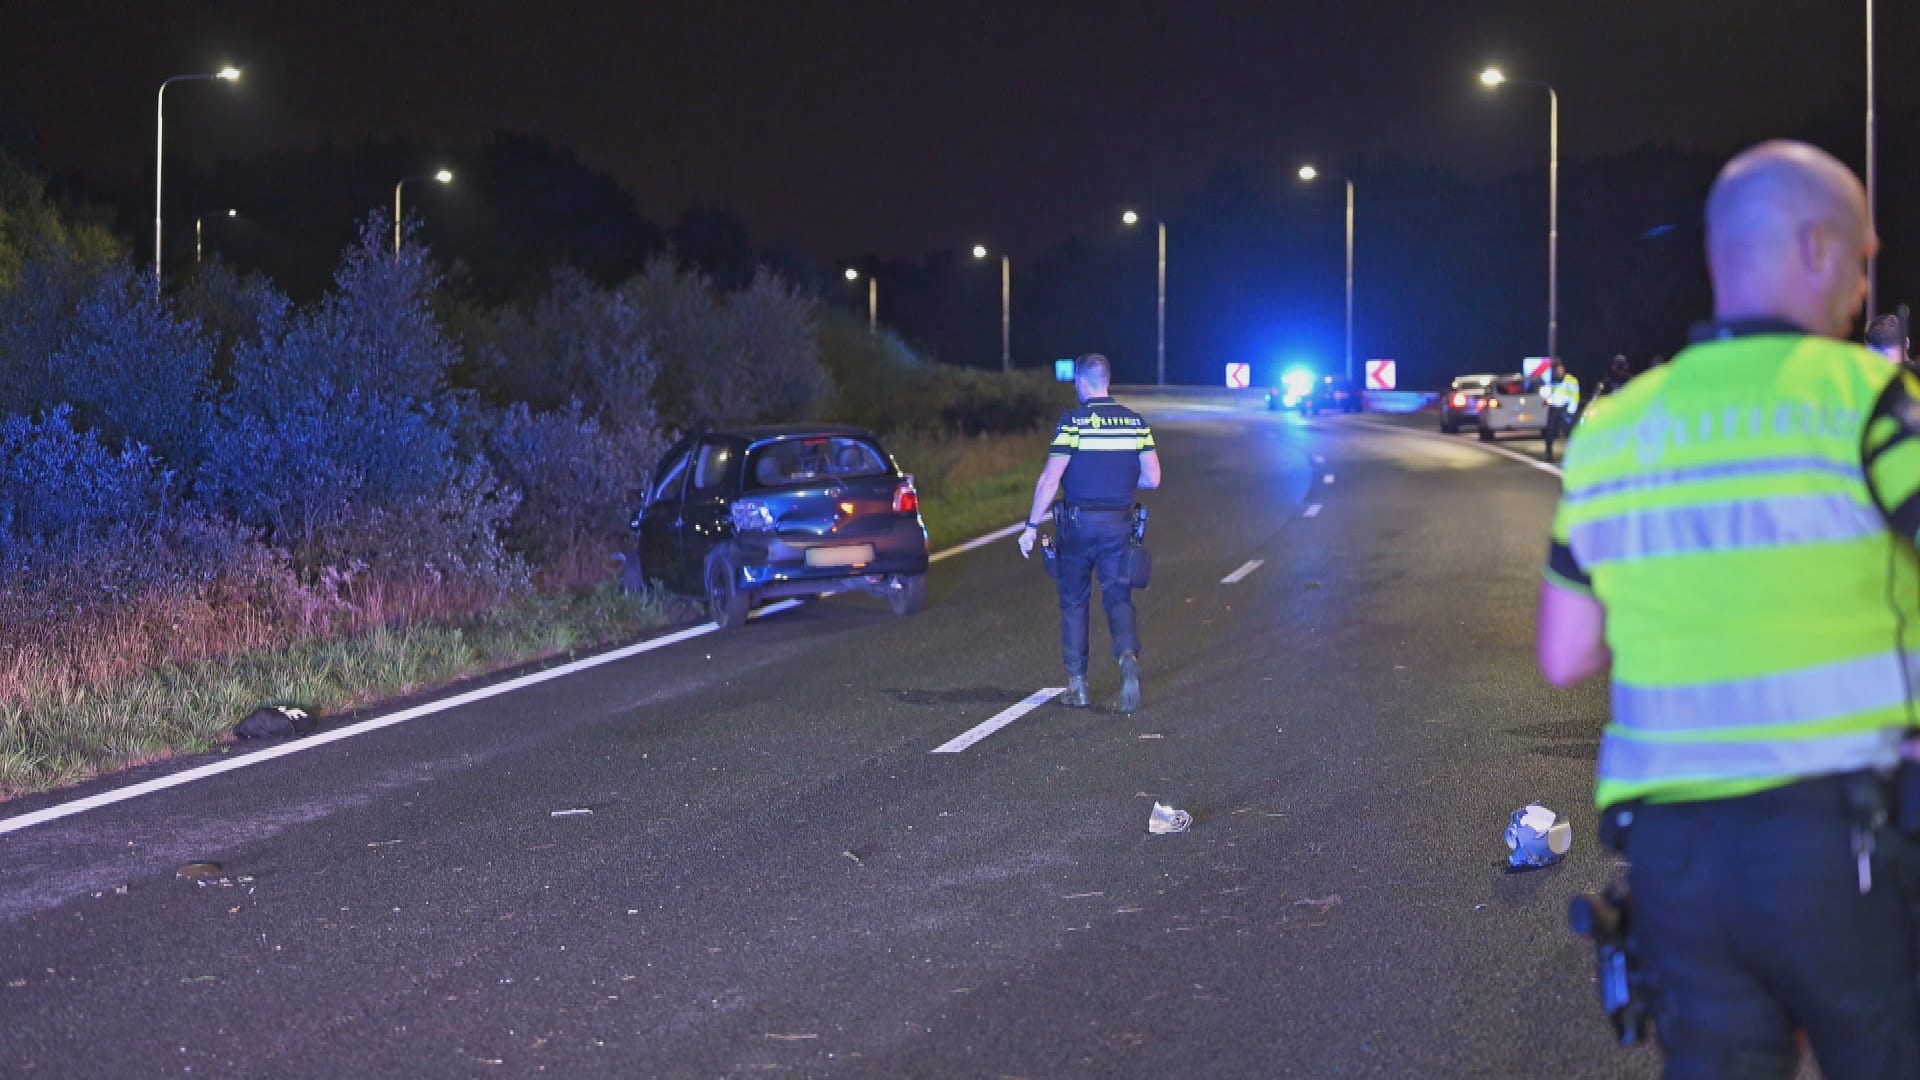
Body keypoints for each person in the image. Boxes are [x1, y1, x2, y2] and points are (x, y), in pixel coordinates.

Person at [1538, 140, 1920, 1077]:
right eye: (1863, 258)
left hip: (1676, 861)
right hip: (1847, 844)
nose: (1864, 287)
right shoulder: (1872, 403)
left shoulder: (1616, 429)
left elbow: (1565, 652)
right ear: (1816, 248)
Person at [1017, 353, 1161, 712]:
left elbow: (1050, 479)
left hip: (1077, 527)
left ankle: (1078, 685)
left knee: (1074, 602)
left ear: (1082, 382)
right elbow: (1153, 478)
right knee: (1118, 597)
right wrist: (1119, 483)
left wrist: (1031, 526)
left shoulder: (1073, 422)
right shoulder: (1135, 423)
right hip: (1118, 524)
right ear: (1106, 381)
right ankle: (1127, 656)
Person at [1540, 359, 1581, 462]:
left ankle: (1574, 454)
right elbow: (1546, 393)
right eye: (1557, 369)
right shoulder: (1552, 380)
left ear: (1564, 369)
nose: (1559, 371)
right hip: (1554, 408)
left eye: (1560, 368)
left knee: (1569, 433)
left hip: (1566, 409)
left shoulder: (1571, 380)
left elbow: (1575, 397)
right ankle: (1548, 454)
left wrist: (1570, 413)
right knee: (1550, 431)